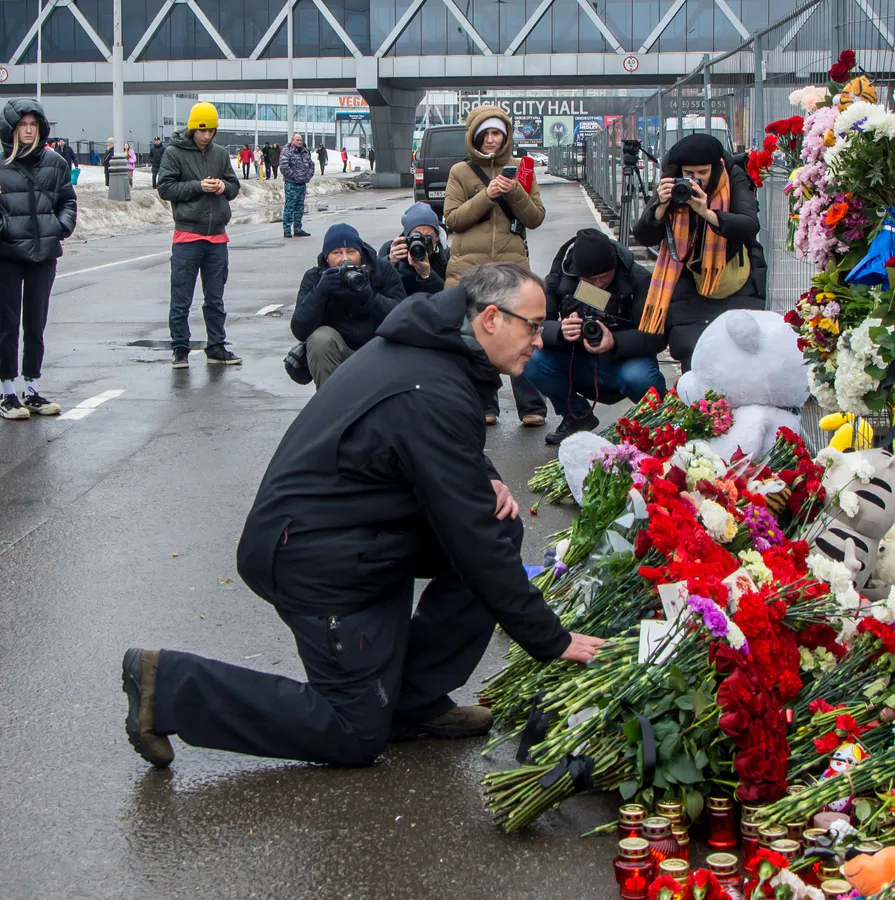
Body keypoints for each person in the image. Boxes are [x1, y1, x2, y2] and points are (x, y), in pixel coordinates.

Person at [120, 263, 604, 769]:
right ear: (489, 319)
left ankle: (408, 704)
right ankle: (168, 685)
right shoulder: (432, 385)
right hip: (312, 557)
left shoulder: (434, 349)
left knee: (499, 521)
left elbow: (413, 441)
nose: (540, 340)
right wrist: (553, 639)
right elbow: (471, 538)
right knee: (353, 732)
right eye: (533, 325)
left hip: (358, 532)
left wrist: (477, 472)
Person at [443, 105, 547, 428]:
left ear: (506, 136)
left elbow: (535, 217)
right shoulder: (460, 172)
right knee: (474, 334)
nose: (491, 140)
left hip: (511, 265)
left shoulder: (521, 169)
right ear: (474, 136)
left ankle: (532, 405)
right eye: (485, 134)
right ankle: (484, 403)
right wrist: (486, 195)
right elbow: (453, 219)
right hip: (469, 268)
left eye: (496, 133)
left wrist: (515, 191)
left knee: (522, 330)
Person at [632, 133, 767, 373]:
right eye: (689, 174)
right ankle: (698, 407)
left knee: (738, 352)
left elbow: (749, 224)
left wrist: (707, 212)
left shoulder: (732, 176)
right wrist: (660, 207)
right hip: (687, 276)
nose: (695, 181)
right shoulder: (672, 182)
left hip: (732, 274)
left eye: (703, 173)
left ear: (716, 167)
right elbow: (644, 236)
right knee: (692, 351)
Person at [523, 228, 666, 445]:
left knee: (639, 377)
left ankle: (662, 422)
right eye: (590, 281)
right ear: (579, 274)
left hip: (623, 361)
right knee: (532, 360)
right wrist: (561, 331)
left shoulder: (638, 279)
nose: (598, 284)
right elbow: (537, 323)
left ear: (615, 266)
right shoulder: (562, 275)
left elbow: (656, 336)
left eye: (604, 278)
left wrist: (615, 340)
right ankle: (577, 416)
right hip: (578, 358)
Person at [0, 99, 77, 421]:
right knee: (6, 324)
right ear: (11, 127)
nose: (28, 130)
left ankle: (31, 387)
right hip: (6, 253)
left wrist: (61, 227)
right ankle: (7, 393)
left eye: (33, 124)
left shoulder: (55, 162)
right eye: (22, 125)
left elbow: (67, 200)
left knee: (36, 323)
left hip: (43, 253)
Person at [156, 101, 242, 369]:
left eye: (211, 131)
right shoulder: (173, 152)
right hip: (188, 235)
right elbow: (166, 188)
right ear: (193, 129)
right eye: (202, 131)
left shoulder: (220, 154)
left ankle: (216, 346)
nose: (207, 136)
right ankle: (180, 348)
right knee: (181, 297)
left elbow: (234, 186)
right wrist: (198, 186)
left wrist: (222, 187)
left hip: (217, 236)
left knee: (215, 298)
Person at [291, 223, 407, 388]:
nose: (345, 259)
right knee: (320, 338)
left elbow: (403, 319)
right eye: (337, 253)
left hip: (378, 350)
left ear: (360, 252)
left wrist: (370, 298)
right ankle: (330, 405)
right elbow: (300, 330)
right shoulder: (315, 277)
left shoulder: (381, 270)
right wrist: (319, 293)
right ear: (327, 257)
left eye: (351, 252)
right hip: (339, 352)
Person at [379, 201, 447, 296]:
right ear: (406, 237)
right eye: (417, 237)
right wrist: (389, 262)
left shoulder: (445, 256)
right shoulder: (390, 249)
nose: (421, 243)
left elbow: (447, 297)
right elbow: (376, 288)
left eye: (427, 238)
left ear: (437, 237)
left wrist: (427, 275)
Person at [279, 133, 315, 239]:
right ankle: (287, 230)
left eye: (301, 140)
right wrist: (295, 177)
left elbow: (311, 165)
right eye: (297, 140)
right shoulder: (287, 151)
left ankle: (298, 229)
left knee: (299, 208)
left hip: (302, 184)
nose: (299, 142)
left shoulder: (305, 152)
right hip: (291, 184)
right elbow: (284, 167)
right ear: (292, 140)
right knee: (290, 207)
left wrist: (308, 176)